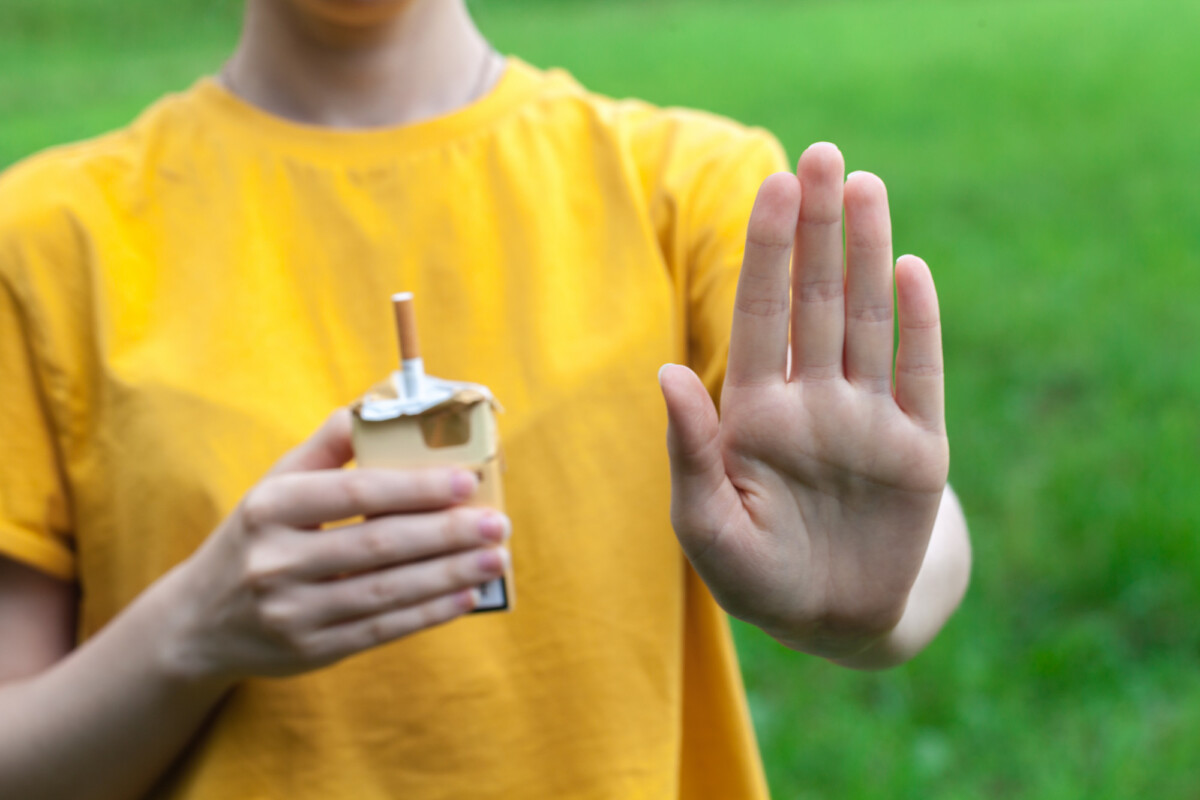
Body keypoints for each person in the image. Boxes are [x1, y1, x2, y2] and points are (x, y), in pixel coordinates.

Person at [0, 0, 971, 797]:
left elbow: (913, 552)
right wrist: (192, 632)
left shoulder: (690, 190)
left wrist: (860, 595)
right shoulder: (46, 240)